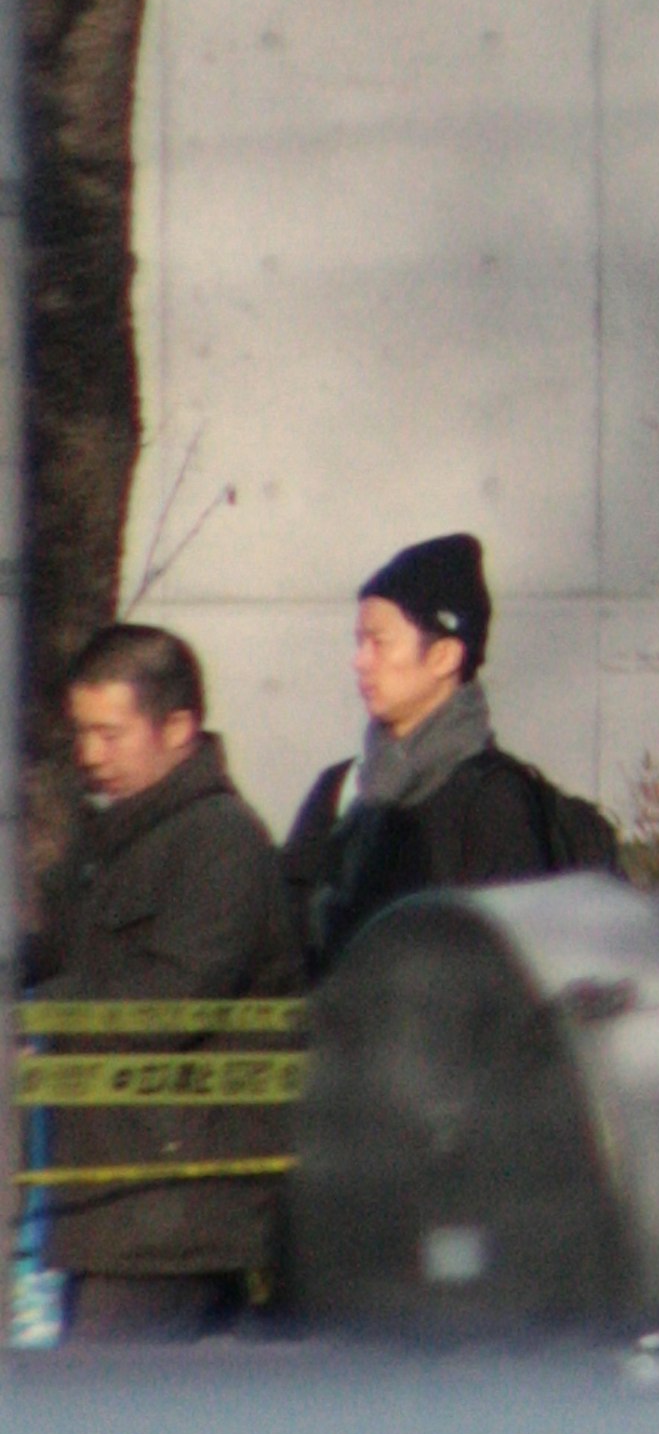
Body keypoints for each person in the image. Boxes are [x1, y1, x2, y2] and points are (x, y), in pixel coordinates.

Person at [34, 620, 299, 1333]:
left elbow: (170, 1002)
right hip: (112, 1208)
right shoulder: (112, 840)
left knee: (101, 1432)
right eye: (81, 733)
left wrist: (36, 1015)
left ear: (178, 727)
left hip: (174, 1218)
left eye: (110, 734)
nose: (90, 755)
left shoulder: (220, 842)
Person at [283, 536, 601, 978]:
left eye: (378, 642)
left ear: (445, 655)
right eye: (358, 642)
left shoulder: (495, 800)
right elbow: (288, 946)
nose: (360, 661)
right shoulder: (339, 790)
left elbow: (507, 971)